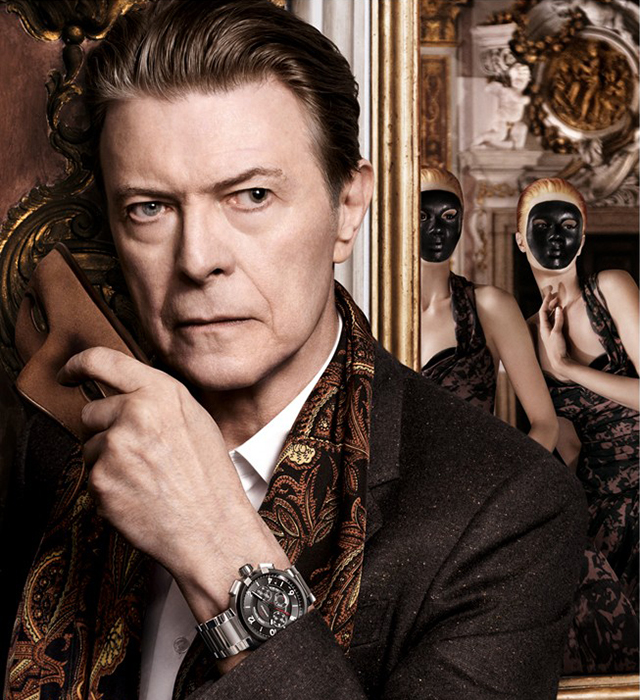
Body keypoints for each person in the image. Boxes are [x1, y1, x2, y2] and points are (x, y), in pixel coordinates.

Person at [3, 3, 586, 699]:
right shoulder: (55, 448)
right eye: (150, 208)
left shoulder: (508, 507)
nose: (198, 259)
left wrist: (219, 551)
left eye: (251, 196)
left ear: (348, 208)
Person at [516, 177, 639, 673]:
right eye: (542, 225)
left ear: (583, 239)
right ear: (520, 238)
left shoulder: (611, 288)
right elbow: (565, 443)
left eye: (568, 226)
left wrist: (568, 368)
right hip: (596, 505)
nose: (555, 236)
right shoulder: (525, 334)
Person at [420, 168, 558, 450]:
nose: (437, 228)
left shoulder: (490, 307)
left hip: (476, 475)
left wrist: (508, 478)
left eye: (449, 216)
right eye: (423, 216)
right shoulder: (373, 313)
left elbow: (545, 424)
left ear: (462, 221)